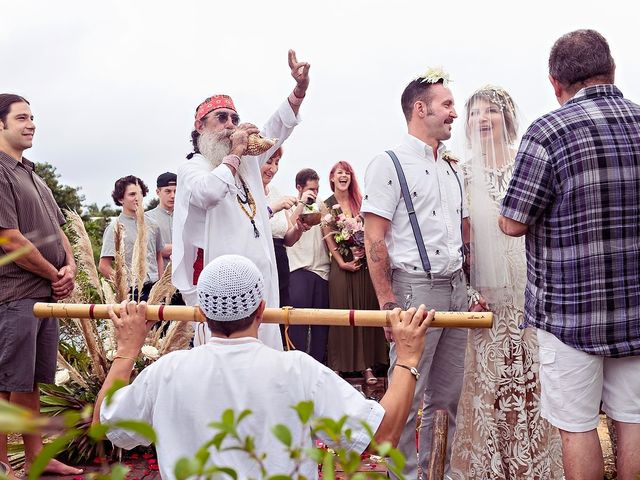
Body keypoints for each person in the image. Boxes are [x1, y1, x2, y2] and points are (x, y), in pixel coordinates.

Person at [96, 254, 434, 479]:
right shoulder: (297, 371)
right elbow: (381, 437)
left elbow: (105, 425)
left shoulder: (166, 372)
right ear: (261, 309)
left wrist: (126, 350)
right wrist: (406, 358)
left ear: (201, 313)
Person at [499, 30, 640, 480]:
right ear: (612, 70)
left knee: (577, 427)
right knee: (634, 419)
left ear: (555, 82)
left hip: (569, 315)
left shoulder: (548, 131)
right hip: (638, 310)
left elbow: (513, 222)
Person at [449, 86, 563, 479]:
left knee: (534, 375)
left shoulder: (526, 165)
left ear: (507, 119)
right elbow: (457, 237)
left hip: (530, 283)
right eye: (475, 112)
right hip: (485, 290)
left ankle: (534, 463)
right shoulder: (460, 172)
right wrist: (468, 289)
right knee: (490, 379)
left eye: (491, 111)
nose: (482, 118)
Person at [361, 67, 468, 479]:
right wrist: (387, 301)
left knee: (447, 400)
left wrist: (468, 287)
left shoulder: (450, 168)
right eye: (447, 105)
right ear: (420, 109)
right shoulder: (387, 164)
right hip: (413, 292)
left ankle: (435, 472)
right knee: (407, 397)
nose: (453, 114)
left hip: (456, 291)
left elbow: (459, 238)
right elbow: (375, 239)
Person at [172, 49, 310, 348]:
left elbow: (277, 129)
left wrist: (298, 91)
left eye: (235, 118)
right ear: (200, 127)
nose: (230, 124)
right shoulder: (191, 168)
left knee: (268, 349)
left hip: (262, 279)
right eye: (221, 118)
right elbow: (209, 192)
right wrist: (235, 151)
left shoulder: (248, 163)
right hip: (221, 286)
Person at [0, 94, 82, 476]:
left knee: (31, 384)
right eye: (21, 118)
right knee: (4, 385)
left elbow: (59, 232)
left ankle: (35, 461)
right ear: (0, 125)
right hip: (13, 294)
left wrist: (69, 270)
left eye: (32, 117)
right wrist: (53, 272)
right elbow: (8, 239)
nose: (31, 124)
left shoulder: (33, 174)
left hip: (45, 295)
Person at [322, 161, 387, 382]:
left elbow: (371, 231)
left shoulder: (360, 202)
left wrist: (362, 251)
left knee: (364, 312)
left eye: (348, 172)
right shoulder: (326, 205)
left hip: (363, 264)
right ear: (332, 177)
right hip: (342, 266)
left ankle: (367, 366)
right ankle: (337, 366)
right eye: (340, 172)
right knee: (340, 314)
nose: (344, 176)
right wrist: (341, 262)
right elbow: (329, 238)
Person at [285, 168, 331, 362]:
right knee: (298, 325)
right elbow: (288, 229)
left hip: (322, 270)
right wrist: (303, 201)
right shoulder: (289, 205)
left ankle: (319, 368)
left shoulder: (321, 205)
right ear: (299, 187)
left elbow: (329, 232)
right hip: (298, 269)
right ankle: (297, 366)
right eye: (311, 188)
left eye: (317, 188)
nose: (315, 192)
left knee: (321, 326)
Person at [99, 175, 164, 301]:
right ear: (120, 199)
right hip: (132, 291)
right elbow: (103, 265)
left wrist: (161, 285)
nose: (137, 198)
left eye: (140, 193)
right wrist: (123, 285)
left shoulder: (153, 225)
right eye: (132, 194)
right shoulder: (115, 227)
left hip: (155, 288)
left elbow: (158, 256)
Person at [261, 146, 306, 307]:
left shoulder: (275, 191)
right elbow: (246, 226)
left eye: (277, 163)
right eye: (268, 162)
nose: (273, 169)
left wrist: (299, 228)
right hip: (259, 261)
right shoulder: (246, 192)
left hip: (280, 263)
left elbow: (287, 238)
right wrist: (273, 208)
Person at [145, 172, 176, 267]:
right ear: (158, 192)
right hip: (159, 278)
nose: (173, 196)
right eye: (168, 191)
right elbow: (152, 250)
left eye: (176, 191)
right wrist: (183, 248)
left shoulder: (187, 216)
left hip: (184, 277)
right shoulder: (147, 218)